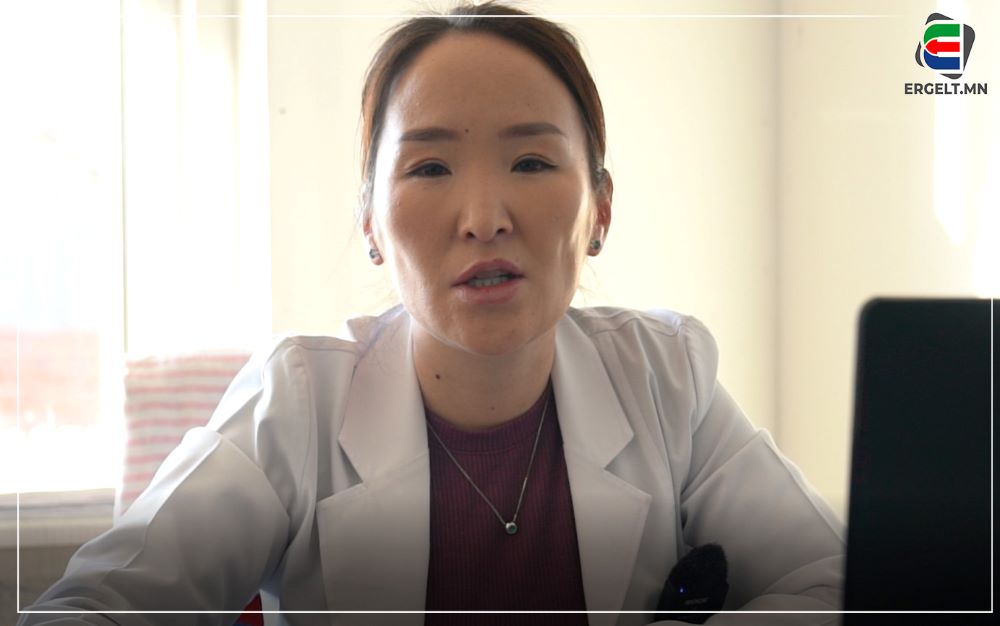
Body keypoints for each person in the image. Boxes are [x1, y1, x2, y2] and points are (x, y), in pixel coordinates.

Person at [21, 2, 844, 625]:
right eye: (429, 168)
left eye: (531, 161)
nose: (484, 217)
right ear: (371, 227)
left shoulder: (666, 376)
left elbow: (835, 582)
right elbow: (94, 607)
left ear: (599, 208)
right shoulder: (301, 401)